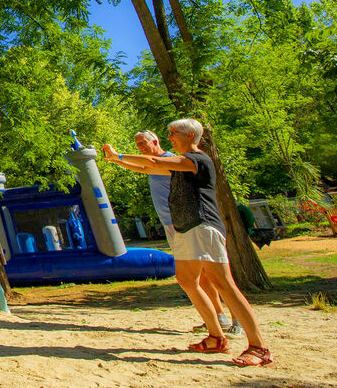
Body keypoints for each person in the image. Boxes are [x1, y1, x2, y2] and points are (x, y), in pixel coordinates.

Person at [103, 118, 272, 367]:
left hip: (203, 226)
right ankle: (216, 337)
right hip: (185, 228)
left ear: (190, 136)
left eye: (174, 134)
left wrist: (120, 154)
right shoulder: (179, 164)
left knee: (223, 284)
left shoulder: (197, 160)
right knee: (186, 280)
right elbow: (147, 169)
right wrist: (117, 160)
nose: (170, 138)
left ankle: (258, 346)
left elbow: (152, 161)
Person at [133, 130, 243, 338]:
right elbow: (140, 167)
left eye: (143, 142)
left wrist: (119, 157)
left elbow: (149, 164)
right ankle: (218, 317)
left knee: (216, 274)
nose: (140, 147)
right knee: (197, 276)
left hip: (193, 222)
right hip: (173, 224)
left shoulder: (170, 160)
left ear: (155, 141)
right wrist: (114, 159)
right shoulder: (155, 163)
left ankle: (238, 321)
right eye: (137, 144)